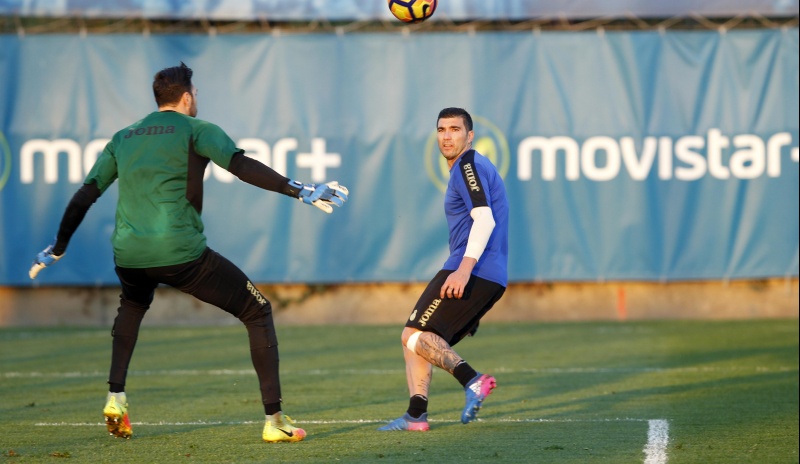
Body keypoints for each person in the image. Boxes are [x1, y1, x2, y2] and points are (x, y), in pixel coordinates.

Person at [28, 62, 348, 443]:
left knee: (132, 305)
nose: (197, 99)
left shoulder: (123, 137)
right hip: (180, 252)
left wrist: (59, 247)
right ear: (185, 97)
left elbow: (86, 195)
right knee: (257, 310)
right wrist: (297, 189)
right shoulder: (197, 129)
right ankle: (275, 420)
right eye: (195, 93)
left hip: (129, 255)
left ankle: (116, 397)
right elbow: (241, 166)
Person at [378, 107, 508, 431]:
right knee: (419, 334)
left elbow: (485, 220)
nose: (447, 136)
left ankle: (472, 380)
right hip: (487, 273)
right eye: (441, 130)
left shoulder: (467, 165)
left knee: (413, 334)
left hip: (473, 268)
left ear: (470, 135)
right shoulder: (472, 166)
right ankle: (416, 415)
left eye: (455, 129)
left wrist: (464, 271)